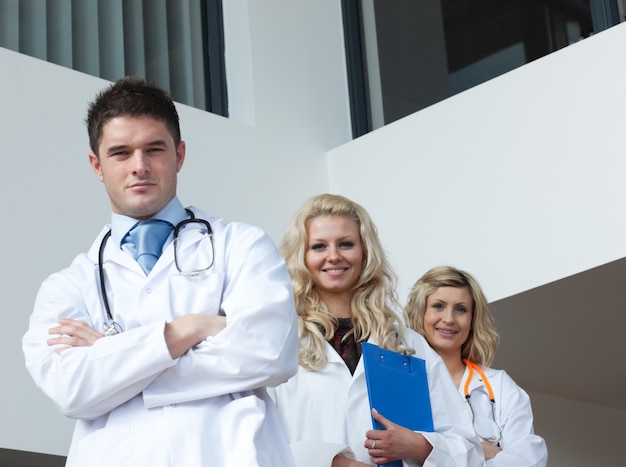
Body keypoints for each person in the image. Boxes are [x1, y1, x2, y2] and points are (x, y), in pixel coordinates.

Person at [22, 76, 299, 467]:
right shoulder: (68, 286)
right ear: (96, 166)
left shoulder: (242, 246)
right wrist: (187, 329)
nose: (140, 167)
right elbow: (70, 389)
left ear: (179, 155)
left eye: (154, 149)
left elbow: (270, 354)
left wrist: (111, 357)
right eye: (120, 153)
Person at [269, 194, 483, 467]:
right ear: (302, 256)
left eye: (346, 244)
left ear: (365, 252)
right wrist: (334, 463)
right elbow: (252, 442)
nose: (334, 256)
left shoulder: (406, 343)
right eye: (319, 246)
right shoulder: (278, 339)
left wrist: (419, 446)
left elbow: (469, 450)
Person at [404, 266, 548, 466]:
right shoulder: (399, 380)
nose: (449, 319)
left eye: (461, 309)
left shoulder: (499, 386)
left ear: (472, 320)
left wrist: (448, 453)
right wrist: (479, 451)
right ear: (420, 313)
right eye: (438, 306)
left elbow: (530, 457)